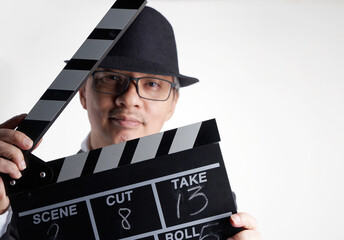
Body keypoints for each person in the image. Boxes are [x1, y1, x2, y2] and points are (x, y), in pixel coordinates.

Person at [0, 6, 261, 240]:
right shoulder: (28, 201)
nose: (129, 98)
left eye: (153, 84)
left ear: (172, 103)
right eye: (111, 78)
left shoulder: (210, 202)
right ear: (82, 93)